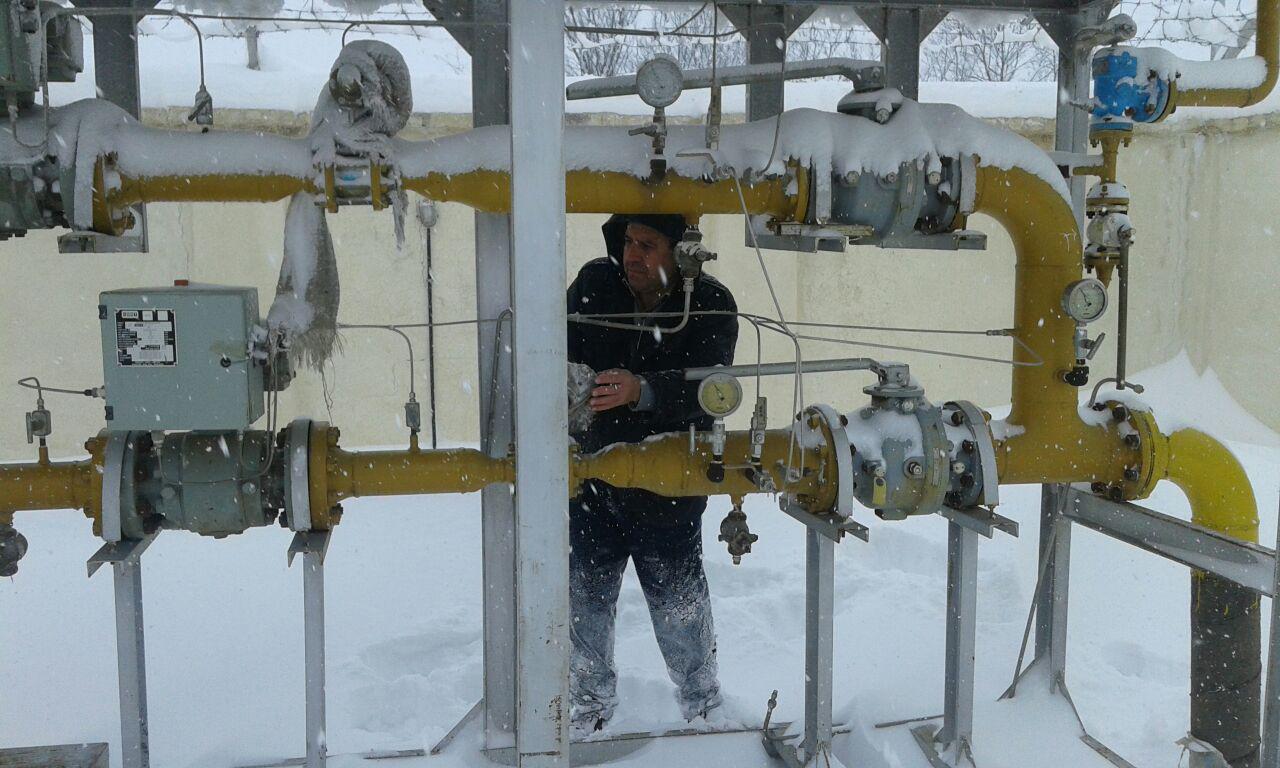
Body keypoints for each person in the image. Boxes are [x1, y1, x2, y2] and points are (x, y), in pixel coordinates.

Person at [566, 213, 739, 735]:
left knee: (678, 602)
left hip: (667, 488)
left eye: (647, 244)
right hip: (590, 481)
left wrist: (644, 390)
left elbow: (712, 390)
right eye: (626, 241)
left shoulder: (708, 305)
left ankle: (703, 705)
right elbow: (550, 350)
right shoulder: (595, 285)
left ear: (679, 252)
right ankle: (589, 707)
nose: (632, 255)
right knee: (585, 600)